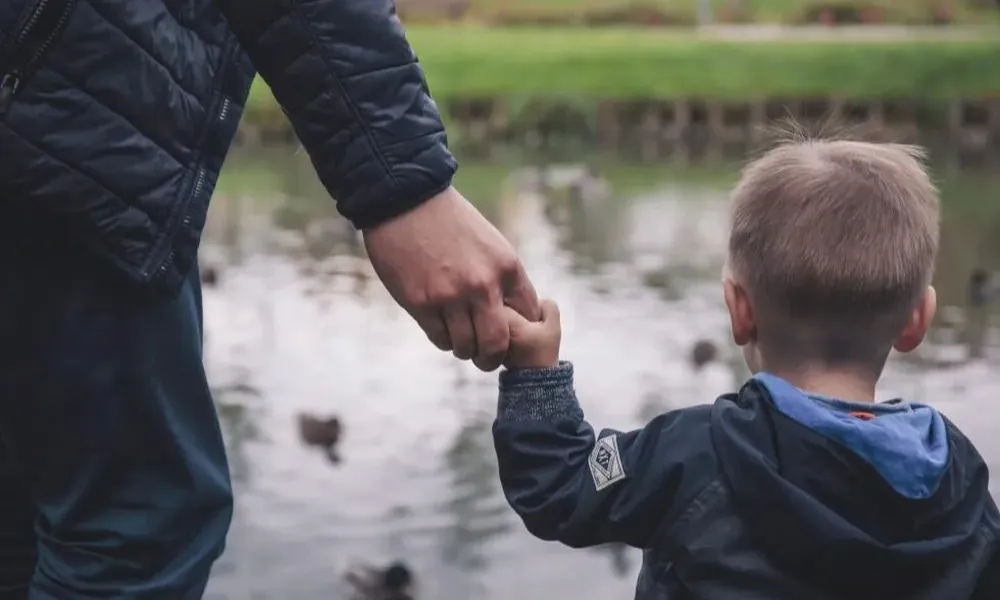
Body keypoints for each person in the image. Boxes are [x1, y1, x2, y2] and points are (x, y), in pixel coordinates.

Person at [0, 0, 537, 597]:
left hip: (47, 108)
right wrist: (403, 184)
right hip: (66, 118)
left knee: (26, 506)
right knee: (132, 528)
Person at [493, 139, 1000, 599]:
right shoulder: (960, 484)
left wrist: (536, 373)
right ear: (917, 320)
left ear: (739, 311)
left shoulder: (691, 454)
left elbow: (561, 487)